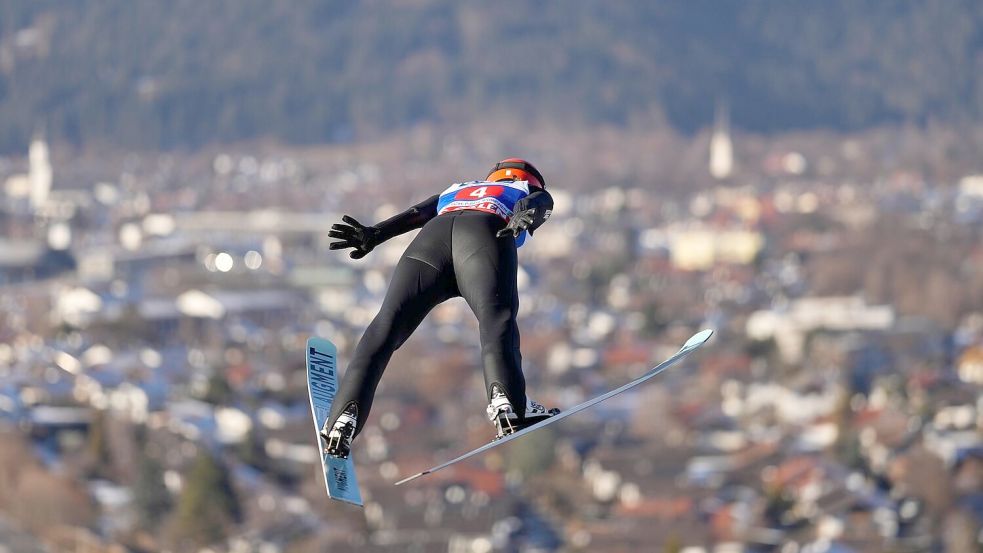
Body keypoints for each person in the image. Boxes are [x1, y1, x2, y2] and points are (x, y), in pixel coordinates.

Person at [321, 158, 559, 458]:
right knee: (496, 321)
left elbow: (416, 214)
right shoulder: (524, 188)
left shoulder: (459, 188)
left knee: (386, 325)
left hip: (430, 241)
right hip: (484, 234)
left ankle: (343, 418)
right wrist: (527, 215)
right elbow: (542, 202)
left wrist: (374, 234)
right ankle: (508, 403)